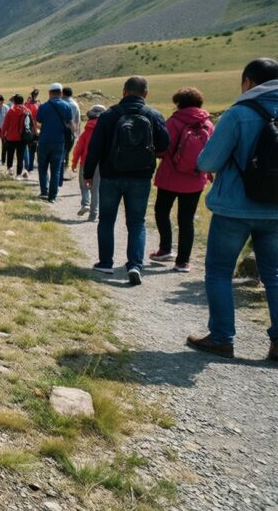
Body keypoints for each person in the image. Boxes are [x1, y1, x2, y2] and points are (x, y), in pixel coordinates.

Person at [187, 58, 278, 360]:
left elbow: (208, 162)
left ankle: (222, 338)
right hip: (276, 210)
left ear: (248, 82)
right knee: (275, 274)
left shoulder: (239, 113)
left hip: (233, 208)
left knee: (219, 271)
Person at [82, 76, 170, 285]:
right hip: (141, 176)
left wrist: (88, 173)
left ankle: (105, 262)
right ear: (145, 94)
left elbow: (95, 148)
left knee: (106, 220)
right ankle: (135, 265)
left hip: (111, 175)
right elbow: (165, 144)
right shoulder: (153, 114)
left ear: (123, 91)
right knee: (137, 222)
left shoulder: (108, 115)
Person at [149, 87, 214, 272]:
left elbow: (162, 149)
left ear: (179, 103)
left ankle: (165, 249)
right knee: (187, 220)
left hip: (170, 177)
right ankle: (183, 261)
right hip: (195, 179)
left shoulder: (173, 122)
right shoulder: (208, 124)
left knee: (161, 211)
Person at [35, 83, 73, 203]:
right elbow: (70, 123)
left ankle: (44, 191)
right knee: (56, 170)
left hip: (44, 140)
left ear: (50, 93)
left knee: (42, 167)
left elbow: (38, 121)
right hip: (59, 141)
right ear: (61, 93)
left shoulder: (43, 106)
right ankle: (52, 196)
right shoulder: (67, 106)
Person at [72, 104, 106, 221]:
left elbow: (79, 148)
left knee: (84, 184)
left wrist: (74, 162)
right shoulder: (106, 130)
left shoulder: (87, 130)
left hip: (85, 162)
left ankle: (85, 203)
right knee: (96, 188)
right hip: (100, 163)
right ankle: (94, 213)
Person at [0, 94, 30, 179]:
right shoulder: (27, 110)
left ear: (14, 101)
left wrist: (2, 134)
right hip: (23, 137)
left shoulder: (11, 110)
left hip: (11, 137)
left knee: (10, 154)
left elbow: (5, 124)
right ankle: (18, 174)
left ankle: (10, 169)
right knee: (20, 157)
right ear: (22, 101)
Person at [62, 87, 82, 186]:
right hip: (72, 132)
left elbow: (67, 120)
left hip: (65, 131)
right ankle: (64, 171)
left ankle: (63, 172)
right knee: (66, 151)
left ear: (63, 93)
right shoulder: (74, 104)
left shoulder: (65, 104)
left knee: (64, 151)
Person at [24, 90, 41, 172]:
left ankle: (30, 166)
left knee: (31, 148)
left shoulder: (27, 104)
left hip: (32, 127)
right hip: (34, 127)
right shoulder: (37, 104)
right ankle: (31, 165)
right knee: (33, 148)